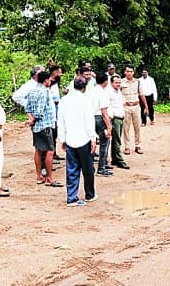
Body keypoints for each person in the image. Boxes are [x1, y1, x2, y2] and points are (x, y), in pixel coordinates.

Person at [57, 77, 97, 207]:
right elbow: (89, 121)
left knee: (72, 169)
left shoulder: (64, 100)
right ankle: (90, 194)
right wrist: (93, 138)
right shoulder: (86, 100)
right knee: (88, 168)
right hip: (84, 139)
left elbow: (60, 120)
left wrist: (62, 138)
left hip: (70, 139)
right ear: (85, 87)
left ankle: (71, 197)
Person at [24, 71, 62, 187]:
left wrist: (31, 120)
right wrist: (33, 120)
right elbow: (39, 111)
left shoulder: (32, 91)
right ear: (46, 80)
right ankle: (49, 178)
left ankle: (39, 176)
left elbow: (28, 108)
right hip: (44, 125)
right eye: (49, 80)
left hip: (36, 127)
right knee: (50, 150)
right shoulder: (44, 91)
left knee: (38, 150)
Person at [91, 71, 113, 176]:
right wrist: (109, 127)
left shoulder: (91, 91)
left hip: (90, 118)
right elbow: (104, 112)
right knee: (104, 142)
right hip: (99, 118)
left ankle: (90, 166)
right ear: (105, 82)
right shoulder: (102, 93)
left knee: (91, 141)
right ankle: (101, 167)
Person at [106, 75, 130, 169]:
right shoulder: (109, 93)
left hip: (120, 117)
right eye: (116, 82)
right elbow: (107, 106)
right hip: (115, 118)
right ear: (111, 83)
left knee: (116, 139)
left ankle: (114, 159)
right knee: (117, 140)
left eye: (119, 82)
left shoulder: (118, 92)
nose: (118, 84)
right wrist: (111, 117)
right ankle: (119, 160)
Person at [120, 65, 144, 156]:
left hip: (136, 106)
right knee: (126, 128)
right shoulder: (121, 82)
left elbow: (141, 94)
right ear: (125, 72)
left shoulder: (137, 82)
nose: (129, 73)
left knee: (137, 127)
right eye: (127, 71)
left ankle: (138, 145)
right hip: (126, 107)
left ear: (133, 72)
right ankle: (127, 147)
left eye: (131, 71)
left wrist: (146, 106)